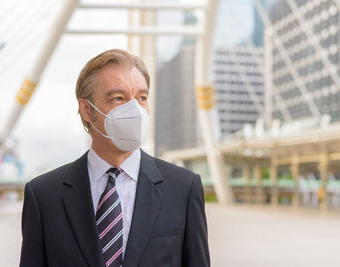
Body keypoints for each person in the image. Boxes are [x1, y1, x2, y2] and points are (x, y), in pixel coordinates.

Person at [19, 49, 210, 267]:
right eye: (118, 98)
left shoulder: (184, 188)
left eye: (141, 98)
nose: (135, 110)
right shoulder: (43, 196)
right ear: (87, 110)